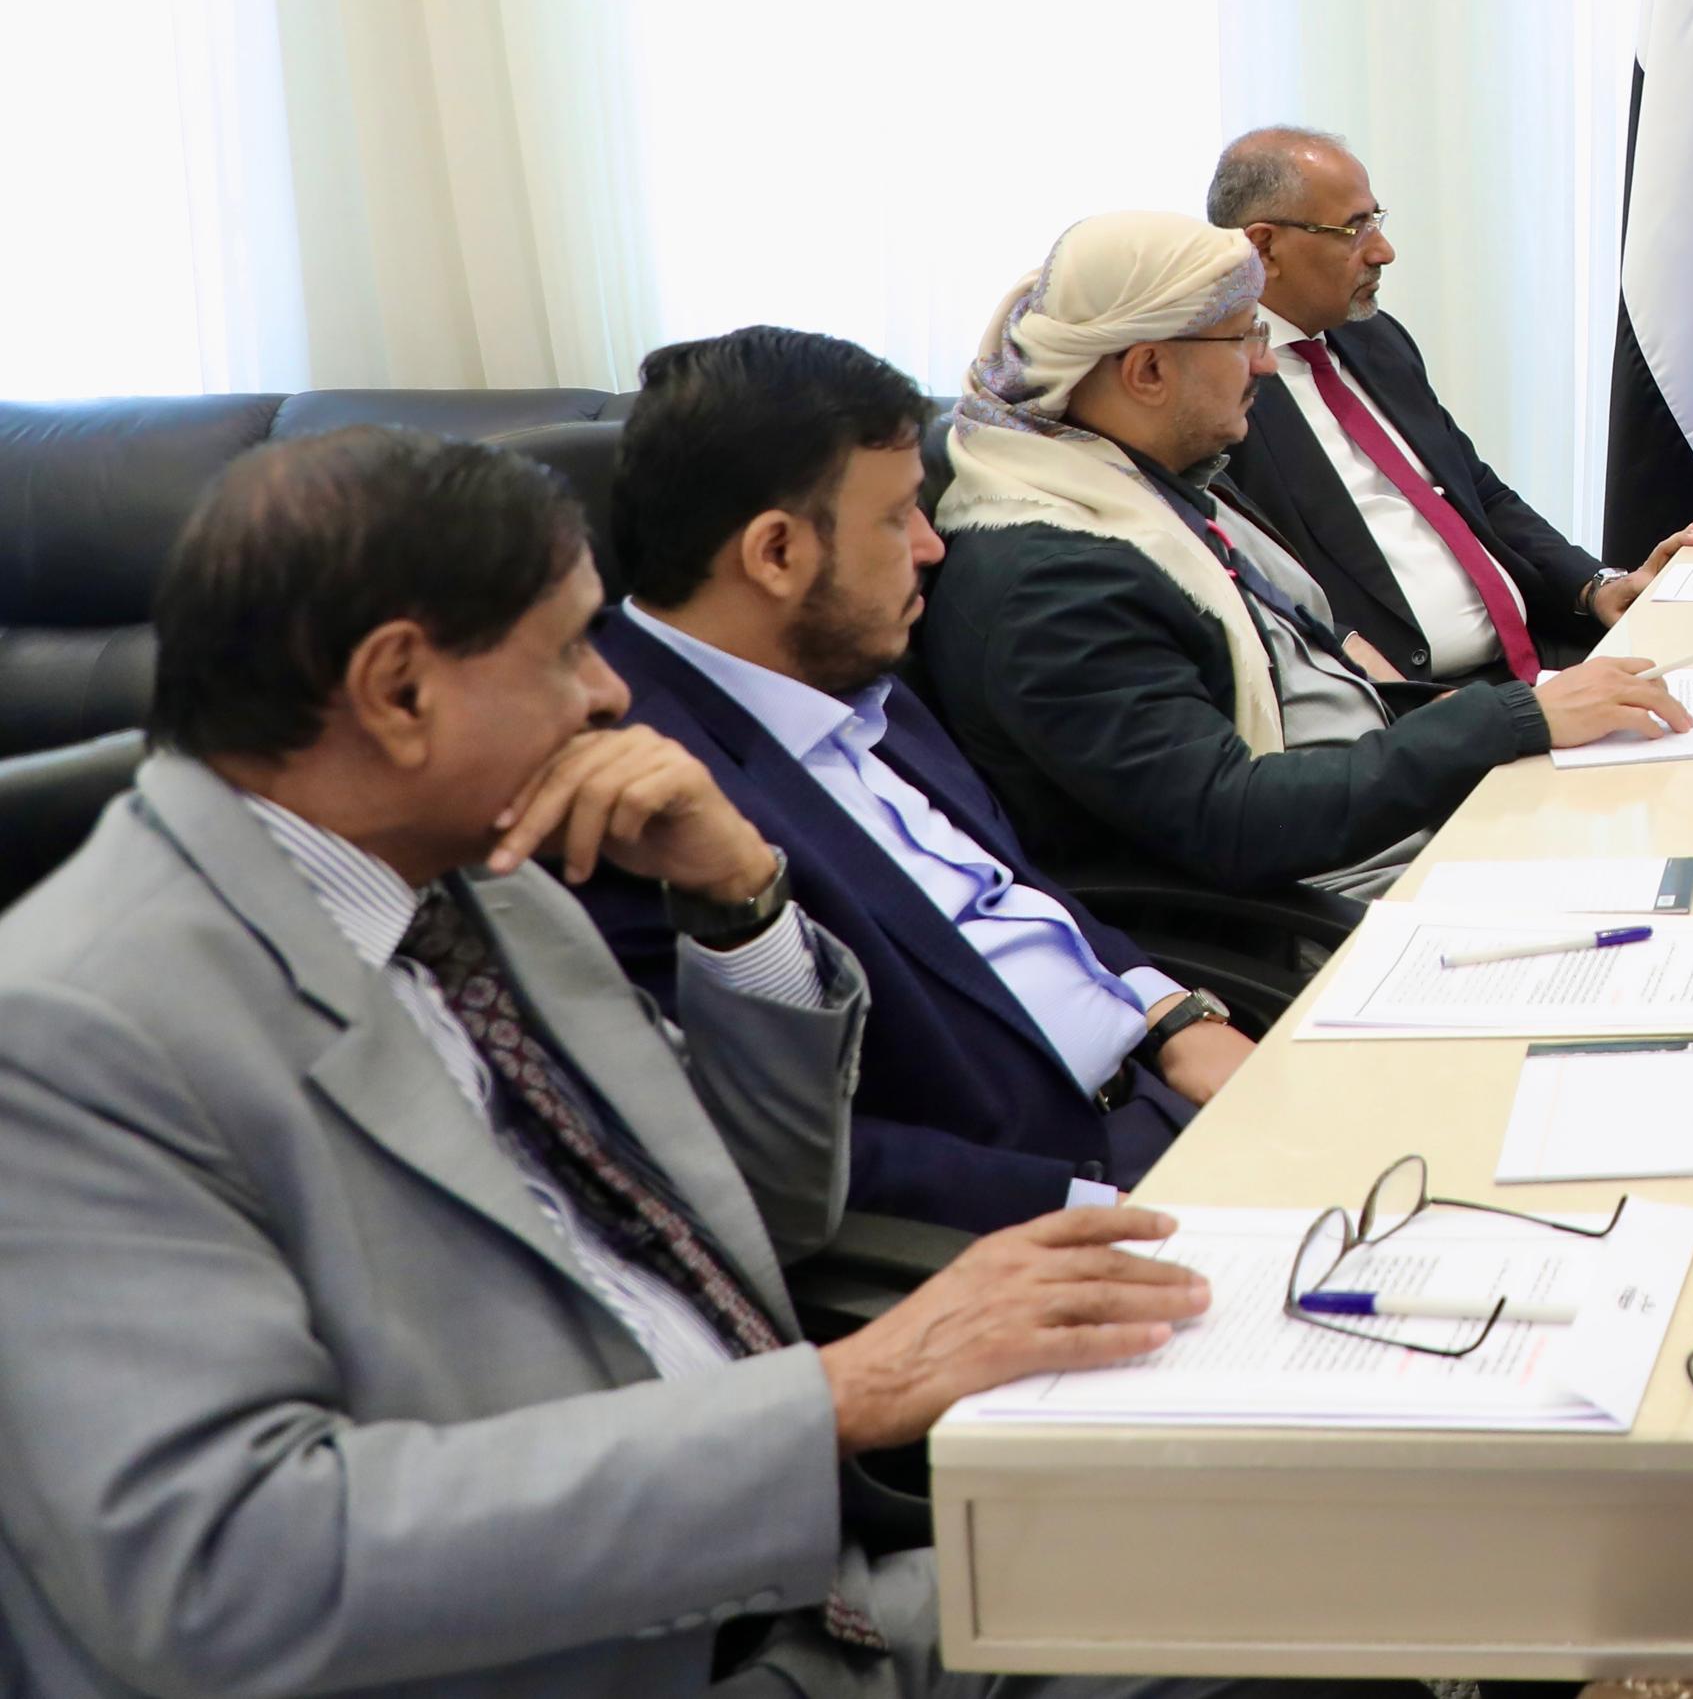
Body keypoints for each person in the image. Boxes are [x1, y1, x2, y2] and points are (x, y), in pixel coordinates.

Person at [0, 424, 1382, 1699]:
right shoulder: (70, 1033)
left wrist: (740, 908)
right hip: (598, 1657)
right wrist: (840, 1398)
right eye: (566, 652)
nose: (612, 693)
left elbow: (765, 1211)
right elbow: (226, 1573)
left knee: (1380, 1551)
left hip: (808, 1596)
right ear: (401, 689)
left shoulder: (482, 883)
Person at [588, 325, 1254, 1236]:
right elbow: (780, 1151)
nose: (932, 545)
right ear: (775, 553)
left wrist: (1169, 1012)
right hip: (1052, 1200)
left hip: (1167, 1088)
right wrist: (1096, 1209)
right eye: (899, 515)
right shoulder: (640, 794)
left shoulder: (846, 666)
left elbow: (1016, 887)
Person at [916, 213, 1686, 904]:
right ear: (1147, 370)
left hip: (1387, 830)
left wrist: (1486, 714)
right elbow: (1235, 817)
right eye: (1242, 339)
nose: (1264, 363)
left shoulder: (1143, 485)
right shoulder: (1053, 580)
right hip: (1330, 901)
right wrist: (1508, 717)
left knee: (1682, 829)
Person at [1208, 125, 1693, 686]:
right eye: (1353, 229)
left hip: (1543, 656)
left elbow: (1479, 492)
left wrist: (1596, 586)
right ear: (1264, 247)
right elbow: (1249, 583)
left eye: (1376, 220)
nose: (1383, 251)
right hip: (1422, 698)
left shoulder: (1375, 340)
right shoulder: (1217, 392)